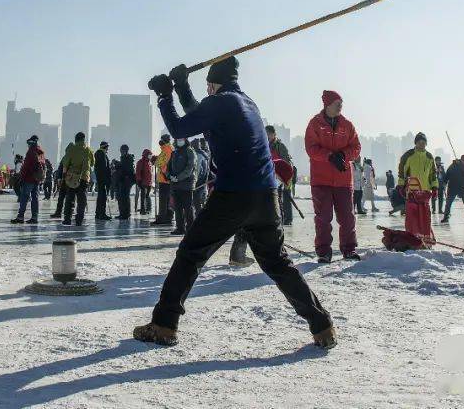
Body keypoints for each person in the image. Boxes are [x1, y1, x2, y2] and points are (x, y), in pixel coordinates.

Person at [134, 57, 335, 348]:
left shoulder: (221, 102)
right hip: (266, 197)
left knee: (191, 254)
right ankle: (322, 325)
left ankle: (164, 324)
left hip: (234, 194)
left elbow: (180, 128)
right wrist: (181, 87)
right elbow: (201, 115)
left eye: (207, 87)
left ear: (214, 84)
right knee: (278, 263)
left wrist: (165, 96)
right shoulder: (246, 103)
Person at [305, 90, 362, 263]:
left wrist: (344, 155)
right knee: (323, 218)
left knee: (347, 217)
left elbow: (356, 147)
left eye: (341, 103)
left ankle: (349, 249)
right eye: (337, 103)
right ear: (327, 104)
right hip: (321, 180)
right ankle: (323, 252)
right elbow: (311, 148)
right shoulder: (315, 124)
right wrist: (329, 156)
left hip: (343, 180)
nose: (340, 106)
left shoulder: (347, 125)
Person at [397, 133, 438, 244]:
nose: (422, 145)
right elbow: (402, 172)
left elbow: (433, 174)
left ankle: (426, 238)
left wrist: (435, 187)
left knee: (425, 216)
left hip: (425, 192)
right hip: (412, 191)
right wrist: (401, 185)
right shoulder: (408, 155)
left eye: (424, 142)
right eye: (419, 142)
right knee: (412, 215)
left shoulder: (429, 157)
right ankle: (412, 237)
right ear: (416, 143)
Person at [60, 132, 94, 226]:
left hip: (72, 178)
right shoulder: (88, 150)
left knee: (70, 198)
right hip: (84, 178)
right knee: (81, 200)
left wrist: (64, 175)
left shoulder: (72, 149)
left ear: (76, 139)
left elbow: (65, 162)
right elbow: (92, 163)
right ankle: (79, 220)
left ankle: (67, 219)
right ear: (83, 139)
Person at [167, 137, 198, 235]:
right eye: (178, 139)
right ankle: (180, 228)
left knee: (188, 208)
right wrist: (170, 176)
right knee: (178, 208)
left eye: (181, 139)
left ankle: (190, 228)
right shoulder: (174, 152)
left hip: (187, 185)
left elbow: (190, 168)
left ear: (185, 140)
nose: (179, 141)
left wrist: (178, 178)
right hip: (175, 185)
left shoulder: (189, 151)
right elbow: (168, 167)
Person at [266, 126, 295, 224]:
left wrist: (284, 178)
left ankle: (288, 219)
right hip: (272, 176)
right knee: (274, 197)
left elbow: (286, 162)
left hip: (285, 175)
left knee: (286, 196)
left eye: (269, 134)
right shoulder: (265, 146)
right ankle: (276, 218)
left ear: (274, 134)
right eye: (266, 134)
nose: (267, 136)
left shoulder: (280, 146)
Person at [441, 154, 464, 224]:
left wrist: (460, 165)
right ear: (462, 159)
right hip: (452, 187)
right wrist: (445, 182)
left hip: (463, 187)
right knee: (448, 203)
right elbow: (448, 174)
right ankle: (446, 217)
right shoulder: (453, 165)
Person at [150, 135, 174, 226]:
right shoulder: (168, 148)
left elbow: (161, 163)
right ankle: (168, 218)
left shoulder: (167, 149)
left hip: (165, 179)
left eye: (162, 139)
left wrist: (156, 160)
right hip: (167, 179)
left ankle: (162, 219)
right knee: (167, 200)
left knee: (163, 200)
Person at [114, 145, 136, 220]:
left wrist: (116, 164)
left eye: (122, 150)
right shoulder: (125, 158)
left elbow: (125, 168)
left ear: (125, 150)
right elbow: (123, 166)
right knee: (123, 197)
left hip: (126, 180)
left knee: (124, 197)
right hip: (123, 180)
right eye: (121, 150)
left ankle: (125, 214)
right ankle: (124, 213)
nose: (121, 152)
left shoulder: (127, 158)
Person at [93, 141, 113, 220]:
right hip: (103, 179)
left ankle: (98, 214)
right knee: (103, 197)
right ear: (105, 147)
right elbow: (104, 168)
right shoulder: (102, 155)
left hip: (100, 179)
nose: (108, 149)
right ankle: (102, 214)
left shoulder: (99, 154)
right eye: (107, 147)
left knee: (100, 197)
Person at [193, 138, 212, 212]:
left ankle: (198, 220)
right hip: (204, 181)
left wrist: (194, 182)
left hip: (198, 183)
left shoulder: (198, 155)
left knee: (197, 203)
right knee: (202, 202)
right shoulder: (205, 154)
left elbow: (197, 171)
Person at [136, 149, 154, 215]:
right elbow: (138, 172)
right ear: (146, 155)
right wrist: (139, 180)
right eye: (149, 155)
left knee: (147, 196)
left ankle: (148, 208)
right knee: (143, 196)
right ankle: (143, 210)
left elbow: (150, 173)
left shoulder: (150, 162)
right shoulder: (141, 162)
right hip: (143, 182)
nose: (150, 156)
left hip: (149, 183)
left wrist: (151, 182)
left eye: (151, 155)